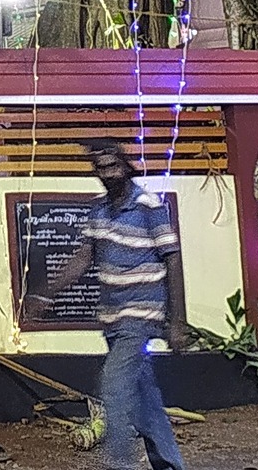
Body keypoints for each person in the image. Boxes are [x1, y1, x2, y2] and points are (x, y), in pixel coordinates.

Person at [27, 141, 191, 470]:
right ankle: (171, 465)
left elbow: (172, 259)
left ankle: (121, 464)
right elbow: (83, 258)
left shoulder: (148, 205)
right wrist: (46, 293)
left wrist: (177, 321)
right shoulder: (99, 210)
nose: (108, 174)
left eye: (113, 166)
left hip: (140, 316)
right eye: (101, 168)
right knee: (145, 400)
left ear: (126, 167)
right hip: (112, 320)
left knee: (114, 390)